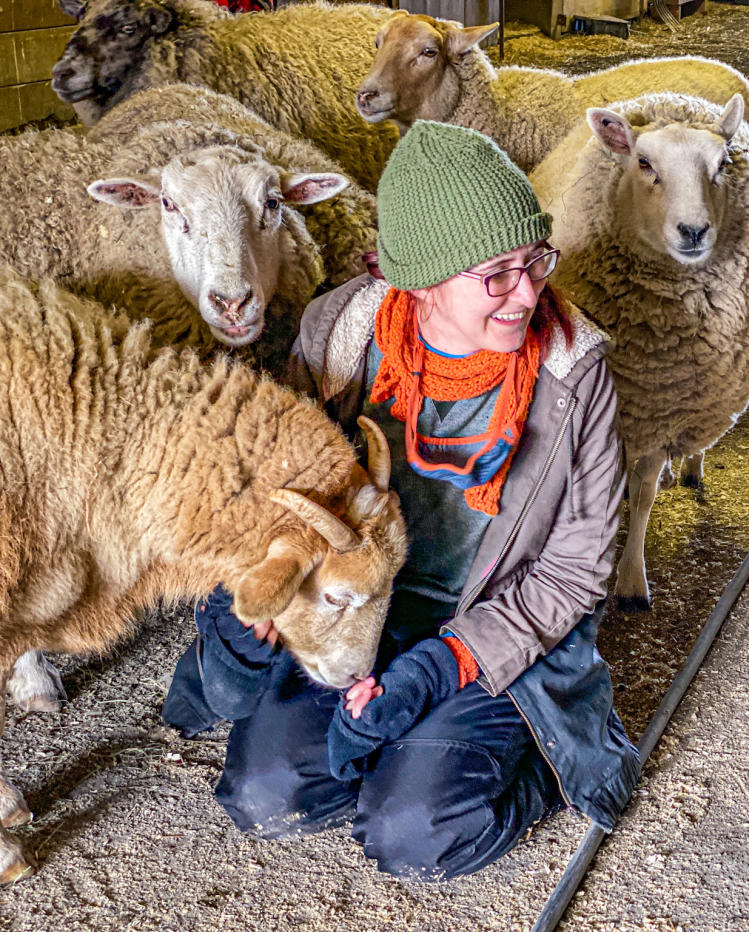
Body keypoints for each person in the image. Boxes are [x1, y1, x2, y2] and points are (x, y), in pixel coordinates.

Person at [161, 122, 639, 881]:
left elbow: (576, 573)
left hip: (486, 626)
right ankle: (409, 746)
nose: (529, 292)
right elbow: (281, 497)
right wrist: (254, 609)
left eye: (534, 261)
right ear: (420, 280)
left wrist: (443, 666)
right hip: (359, 608)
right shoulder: (338, 336)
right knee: (263, 797)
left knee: (413, 836)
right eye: (496, 275)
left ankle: (541, 771)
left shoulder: (575, 371)